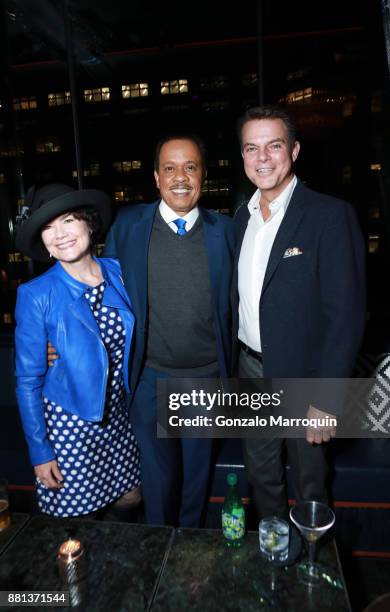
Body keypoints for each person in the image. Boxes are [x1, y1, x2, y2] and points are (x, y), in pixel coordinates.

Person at [232, 105, 366, 518]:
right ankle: (273, 557)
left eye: (274, 145)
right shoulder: (241, 216)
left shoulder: (329, 215)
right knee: (262, 476)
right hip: (250, 371)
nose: (263, 158)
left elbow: (346, 316)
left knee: (310, 483)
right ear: (242, 157)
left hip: (304, 376)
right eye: (252, 148)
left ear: (294, 150)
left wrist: (326, 400)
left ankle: (314, 570)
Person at [103, 134, 235, 527]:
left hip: (205, 378)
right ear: (156, 178)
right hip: (150, 379)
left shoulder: (226, 231)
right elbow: (101, 293)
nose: (181, 176)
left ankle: (188, 563)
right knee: (158, 486)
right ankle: (157, 558)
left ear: (204, 176)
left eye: (191, 167)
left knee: (196, 484)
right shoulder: (127, 226)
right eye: (170, 168)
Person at [14, 183, 141, 519]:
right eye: (48, 227)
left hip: (121, 418)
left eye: (68, 220)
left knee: (130, 499)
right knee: (80, 519)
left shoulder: (119, 273)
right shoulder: (35, 294)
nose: (60, 234)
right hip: (70, 427)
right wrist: (41, 452)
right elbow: (27, 381)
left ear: (88, 224)